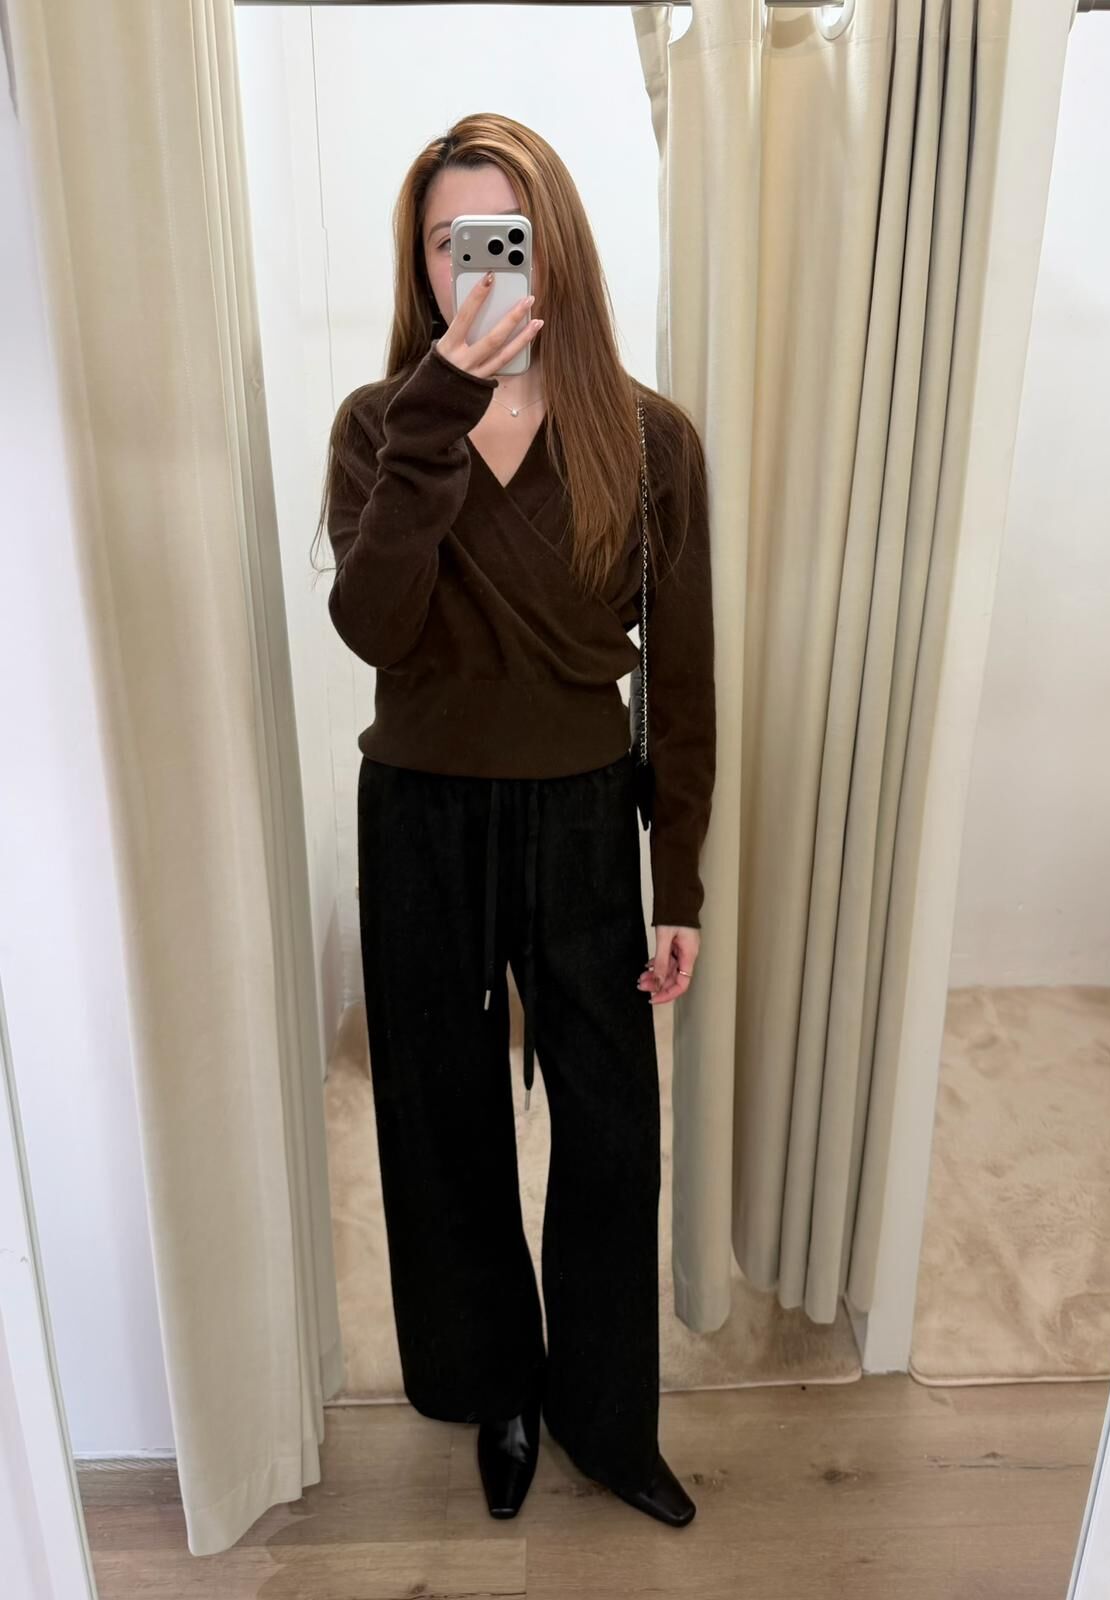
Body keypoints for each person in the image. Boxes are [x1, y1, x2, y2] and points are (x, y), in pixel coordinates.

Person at [313, 114, 716, 1529]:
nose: (472, 263)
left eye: (500, 234)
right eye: (446, 242)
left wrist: (679, 880)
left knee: (610, 1126)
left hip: (583, 817)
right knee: (443, 1118)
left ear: (556, 246)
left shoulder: (649, 439)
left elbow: (681, 678)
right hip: (420, 816)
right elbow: (374, 625)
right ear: (421, 265)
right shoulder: (378, 426)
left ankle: (608, 1421)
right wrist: (437, 410)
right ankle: (499, 1391)